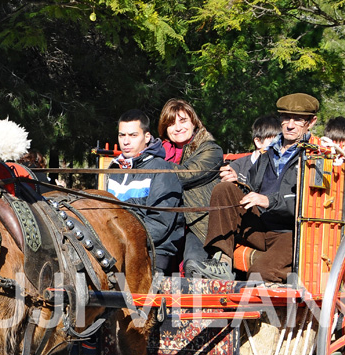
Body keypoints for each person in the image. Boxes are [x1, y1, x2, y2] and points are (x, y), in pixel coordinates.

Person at [194, 93, 320, 283]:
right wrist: (238, 182)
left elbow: (312, 204)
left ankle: (293, 283)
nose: (290, 125)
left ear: (311, 122)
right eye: (286, 118)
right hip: (260, 226)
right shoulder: (267, 153)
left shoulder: (317, 157)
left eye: (298, 120)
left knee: (259, 273)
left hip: (289, 234)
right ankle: (221, 260)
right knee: (224, 189)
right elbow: (251, 189)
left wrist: (269, 201)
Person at [106, 109, 183, 275]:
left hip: (153, 253)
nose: (126, 141)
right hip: (117, 249)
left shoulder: (161, 169)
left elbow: (160, 223)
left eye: (133, 135)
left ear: (147, 137)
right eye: (122, 135)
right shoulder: (114, 170)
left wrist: (122, 241)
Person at [157, 99, 222, 278]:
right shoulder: (158, 151)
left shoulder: (211, 150)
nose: (177, 127)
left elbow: (186, 174)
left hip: (197, 224)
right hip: (166, 222)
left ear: (194, 122)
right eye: (170, 123)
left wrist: (152, 169)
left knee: (192, 264)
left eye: (182, 121)